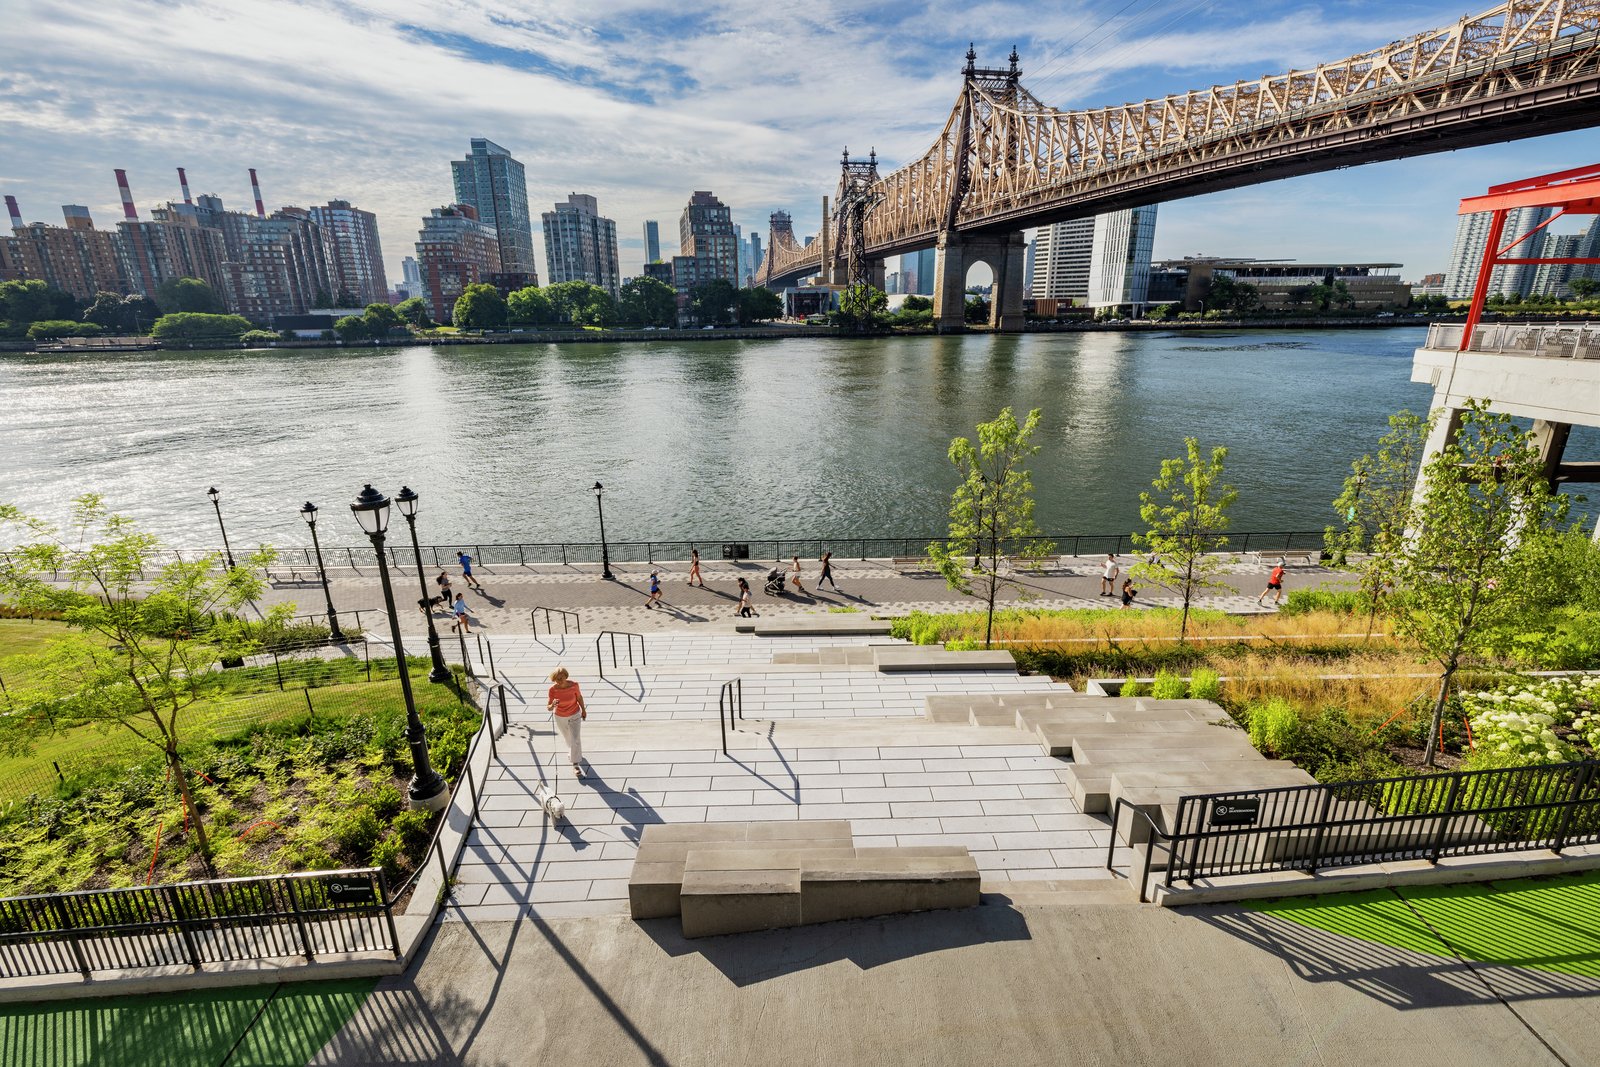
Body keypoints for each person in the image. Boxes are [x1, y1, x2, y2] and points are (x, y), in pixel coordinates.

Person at [547, 666, 587, 777]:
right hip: (560, 716)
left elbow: (579, 698)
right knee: (568, 738)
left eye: (561, 678)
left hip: (574, 714)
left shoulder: (574, 686)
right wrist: (552, 704)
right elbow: (549, 707)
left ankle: (575, 764)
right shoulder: (553, 690)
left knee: (575, 739)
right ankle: (574, 752)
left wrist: (583, 710)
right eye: (556, 679)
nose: (559, 681)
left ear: (566, 676)